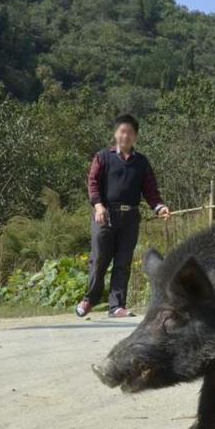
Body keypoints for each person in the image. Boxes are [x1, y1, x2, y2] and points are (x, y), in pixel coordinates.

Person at [76, 114, 171, 318]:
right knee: (100, 258)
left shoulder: (142, 163)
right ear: (115, 134)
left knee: (123, 261)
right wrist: (99, 206)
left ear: (135, 136)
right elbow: (93, 183)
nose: (125, 136)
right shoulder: (103, 157)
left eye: (130, 132)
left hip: (130, 218)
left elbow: (151, 191)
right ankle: (89, 300)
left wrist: (159, 207)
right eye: (122, 131)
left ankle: (116, 306)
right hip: (105, 215)